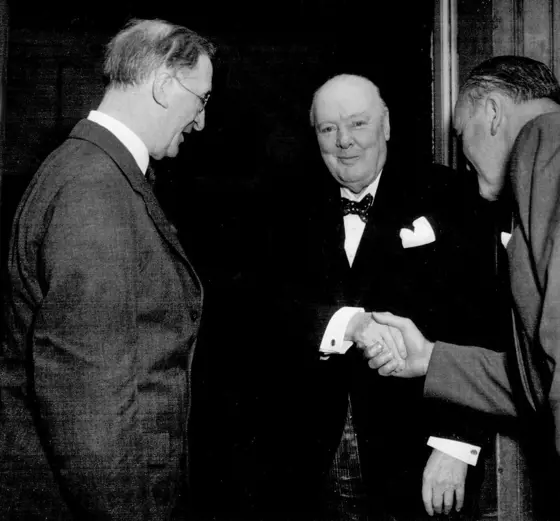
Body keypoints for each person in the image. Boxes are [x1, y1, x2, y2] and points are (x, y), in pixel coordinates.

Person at [365, 55, 560, 521]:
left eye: (461, 132)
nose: (461, 155)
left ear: (492, 113)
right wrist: (429, 357)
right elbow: (543, 379)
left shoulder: (551, 141)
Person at [239, 73, 510, 521]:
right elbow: (261, 309)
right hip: (303, 461)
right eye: (328, 129)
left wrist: (456, 445)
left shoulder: (452, 195)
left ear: (385, 125)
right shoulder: (282, 204)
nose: (344, 141)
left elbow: (486, 321)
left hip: (420, 457)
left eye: (358, 124)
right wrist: (345, 324)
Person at [0, 18, 214, 520]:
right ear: (164, 84)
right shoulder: (95, 191)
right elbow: (92, 415)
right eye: (201, 100)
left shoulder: (88, 168)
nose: (201, 121)